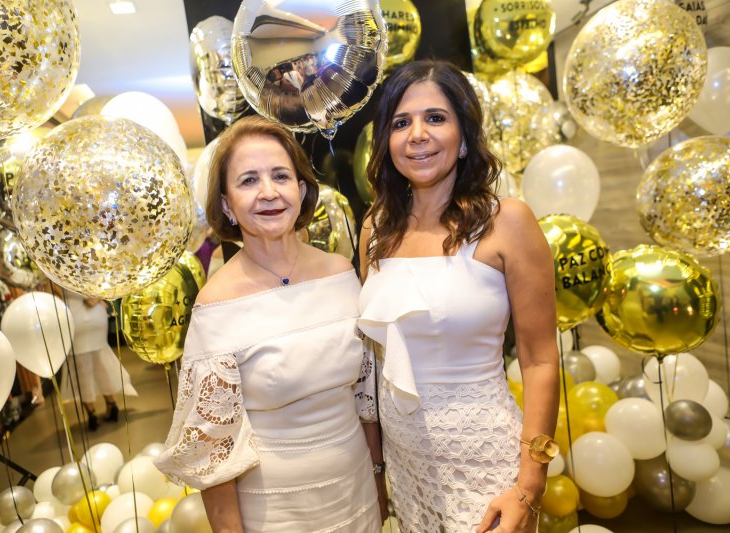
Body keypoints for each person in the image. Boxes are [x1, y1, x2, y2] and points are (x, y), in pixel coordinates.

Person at [154, 116, 385, 532]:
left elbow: (366, 404)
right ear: (226, 204)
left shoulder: (340, 274)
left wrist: (379, 483)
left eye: (281, 175)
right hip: (275, 512)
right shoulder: (216, 305)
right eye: (248, 181)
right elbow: (213, 453)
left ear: (301, 189)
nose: (268, 192)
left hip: (357, 499)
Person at [358, 59, 560, 533]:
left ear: (464, 136)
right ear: (387, 143)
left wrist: (529, 488)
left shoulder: (507, 221)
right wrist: (378, 470)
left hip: (488, 468)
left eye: (435, 118)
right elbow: (373, 366)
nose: (417, 135)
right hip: (407, 467)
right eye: (401, 123)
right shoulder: (375, 229)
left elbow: (539, 359)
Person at [60, 289, 137, 431]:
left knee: (80, 367)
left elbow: (55, 291)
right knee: (101, 360)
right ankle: (111, 404)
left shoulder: (54, 267)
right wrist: (95, 296)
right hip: (97, 312)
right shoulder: (88, 266)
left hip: (73, 315)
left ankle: (92, 414)